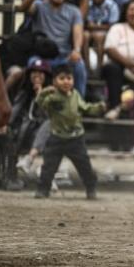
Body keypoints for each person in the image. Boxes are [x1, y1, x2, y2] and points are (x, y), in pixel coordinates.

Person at [34, 64, 104, 199]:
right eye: (62, 78)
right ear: (54, 81)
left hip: (76, 138)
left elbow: (86, 108)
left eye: (69, 78)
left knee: (84, 166)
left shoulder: (75, 95)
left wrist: (98, 108)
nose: (66, 81)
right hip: (56, 138)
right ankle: (43, 189)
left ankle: (91, 188)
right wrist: (43, 92)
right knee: (49, 167)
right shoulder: (52, 97)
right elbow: (41, 103)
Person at [18, 0, 87, 97]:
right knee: (33, 63)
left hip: (64, 56)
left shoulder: (74, 11)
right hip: (41, 55)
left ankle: (78, 103)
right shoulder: (39, 6)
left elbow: (78, 31)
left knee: (79, 65)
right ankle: (29, 103)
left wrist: (76, 50)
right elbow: (23, 7)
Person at [83, 0, 120, 73]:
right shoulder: (88, 4)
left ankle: (99, 68)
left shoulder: (111, 5)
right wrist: (95, 26)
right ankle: (87, 67)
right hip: (91, 31)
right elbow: (87, 23)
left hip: (106, 32)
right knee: (85, 36)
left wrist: (95, 27)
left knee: (99, 36)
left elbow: (112, 25)